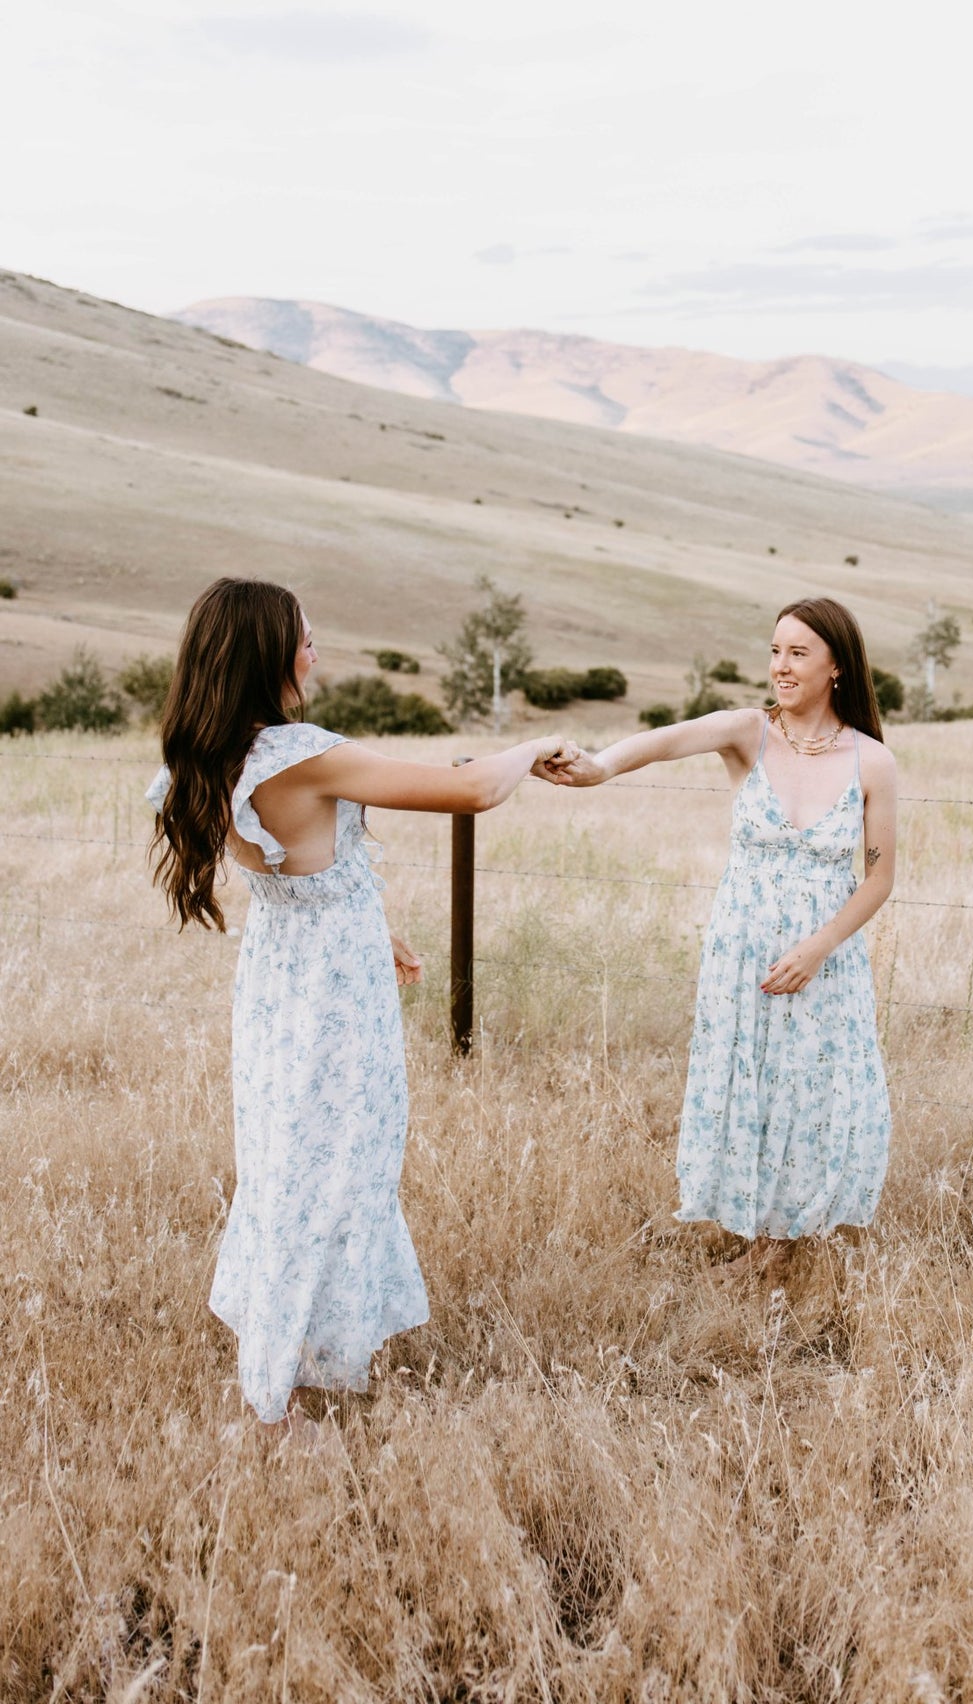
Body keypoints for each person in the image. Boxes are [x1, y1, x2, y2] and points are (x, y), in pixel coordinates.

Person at [147, 577, 576, 1433]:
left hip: (281, 982)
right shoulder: (304, 754)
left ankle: (307, 1358)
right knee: (337, 1167)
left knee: (291, 1164)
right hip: (333, 998)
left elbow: (298, 872)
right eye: (305, 639)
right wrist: (533, 747)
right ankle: (287, 1388)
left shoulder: (209, 756)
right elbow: (469, 791)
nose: (315, 652)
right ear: (266, 654)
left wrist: (377, 927)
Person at [552, 597, 895, 1278]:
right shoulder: (749, 732)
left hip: (822, 962)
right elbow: (664, 740)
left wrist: (818, 948)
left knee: (811, 1091)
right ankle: (762, 1235)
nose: (780, 666)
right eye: (775, 651)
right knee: (750, 1085)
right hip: (742, 953)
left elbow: (879, 879)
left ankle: (783, 1246)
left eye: (798, 653)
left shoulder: (872, 761)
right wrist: (598, 767)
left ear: (836, 667)